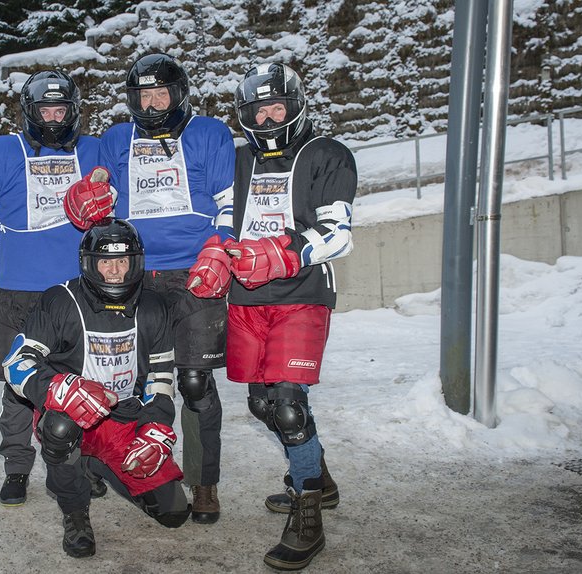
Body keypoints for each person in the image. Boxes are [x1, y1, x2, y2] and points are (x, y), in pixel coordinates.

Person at [186, 63, 356, 570]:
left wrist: (284, 253)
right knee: (263, 404)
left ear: (296, 105)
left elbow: (339, 232)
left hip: (300, 293)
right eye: (258, 110)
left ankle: (307, 514)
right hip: (246, 299)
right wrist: (216, 252)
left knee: (287, 405)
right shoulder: (240, 161)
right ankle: (319, 480)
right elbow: (225, 218)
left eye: (276, 107)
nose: (267, 117)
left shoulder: (327, 154)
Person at [62, 53, 235, 524]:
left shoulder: (210, 133)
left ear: (179, 93)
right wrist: (86, 201)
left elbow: (229, 203)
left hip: (195, 271)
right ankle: (107, 459)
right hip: (132, 273)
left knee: (195, 382)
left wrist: (221, 249)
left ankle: (203, 482)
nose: (153, 103)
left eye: (161, 93)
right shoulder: (117, 138)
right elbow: (98, 198)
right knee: (116, 378)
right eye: (143, 95)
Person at [0, 69, 105, 507]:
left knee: (81, 380)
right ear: (29, 112)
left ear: (74, 111)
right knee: (18, 387)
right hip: (18, 290)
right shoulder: (2, 150)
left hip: (77, 288)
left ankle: (83, 464)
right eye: (45, 109)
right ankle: (16, 467)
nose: (53, 118)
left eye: (60, 109)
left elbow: (116, 205)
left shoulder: (93, 149)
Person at [1, 218, 190, 557]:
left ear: (137, 262)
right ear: (90, 263)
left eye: (123, 260)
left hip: (124, 419)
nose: (115, 271)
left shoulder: (154, 306)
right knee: (60, 428)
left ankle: (94, 465)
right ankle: (75, 512)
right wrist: (56, 388)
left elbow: (161, 379)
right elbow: (16, 362)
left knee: (174, 512)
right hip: (71, 417)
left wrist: (156, 429)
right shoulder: (60, 300)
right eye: (106, 262)